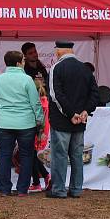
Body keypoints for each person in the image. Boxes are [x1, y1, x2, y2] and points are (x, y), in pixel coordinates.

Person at [46, 41, 99, 199]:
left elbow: (56, 95)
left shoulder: (57, 67)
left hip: (62, 120)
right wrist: (85, 111)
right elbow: (95, 94)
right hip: (80, 121)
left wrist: (71, 113)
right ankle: (76, 189)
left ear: (59, 51)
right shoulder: (85, 68)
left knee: (60, 156)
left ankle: (59, 190)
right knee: (77, 156)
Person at [0, 50, 44, 197]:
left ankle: (5, 189)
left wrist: (2, 112)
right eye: (23, 61)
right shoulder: (26, 79)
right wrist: (40, 119)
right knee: (26, 156)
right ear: (19, 63)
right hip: (26, 123)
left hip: (5, 123)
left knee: (4, 155)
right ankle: (22, 189)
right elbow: (35, 103)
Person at [28, 81, 51, 193]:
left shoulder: (37, 103)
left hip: (37, 131)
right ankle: (45, 177)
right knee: (32, 155)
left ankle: (37, 182)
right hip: (42, 131)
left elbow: (37, 119)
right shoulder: (45, 100)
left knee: (31, 155)